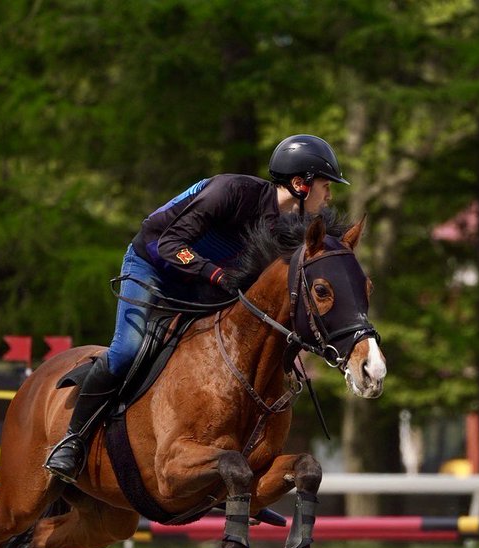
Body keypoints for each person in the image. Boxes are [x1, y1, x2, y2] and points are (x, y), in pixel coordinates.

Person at [44, 134, 349, 483]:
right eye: (326, 186)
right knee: (127, 350)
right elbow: (168, 244)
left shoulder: (290, 227)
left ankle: (233, 478)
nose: (329, 196)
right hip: (152, 264)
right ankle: (72, 440)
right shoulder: (231, 192)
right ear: (300, 184)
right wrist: (217, 275)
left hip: (203, 281)